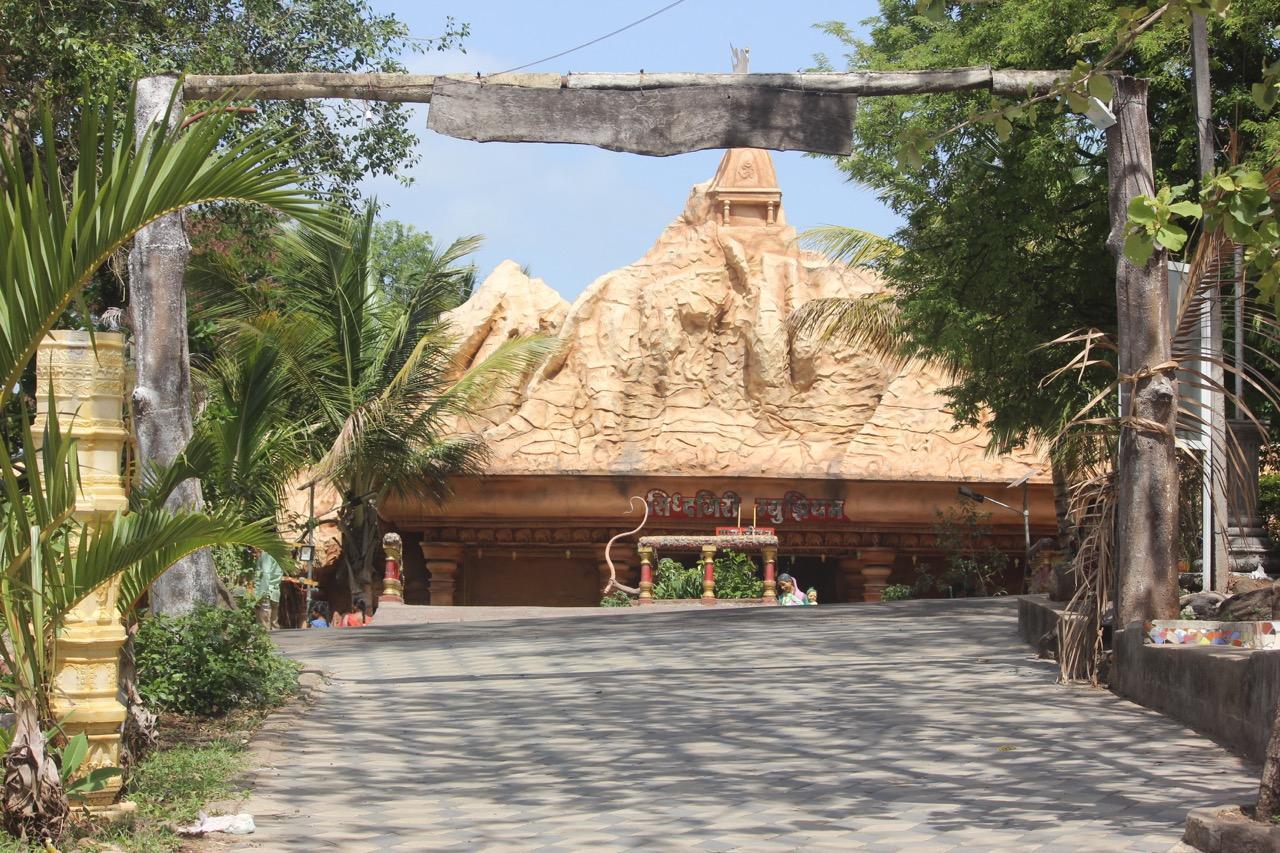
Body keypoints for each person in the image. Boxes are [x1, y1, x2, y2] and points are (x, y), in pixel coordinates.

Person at [253, 548, 284, 630]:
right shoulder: (277, 555)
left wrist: (261, 595)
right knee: (274, 624)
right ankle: (277, 642)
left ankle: (266, 642)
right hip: (275, 592)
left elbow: (265, 575)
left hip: (266, 593)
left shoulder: (266, 555)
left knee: (263, 625)